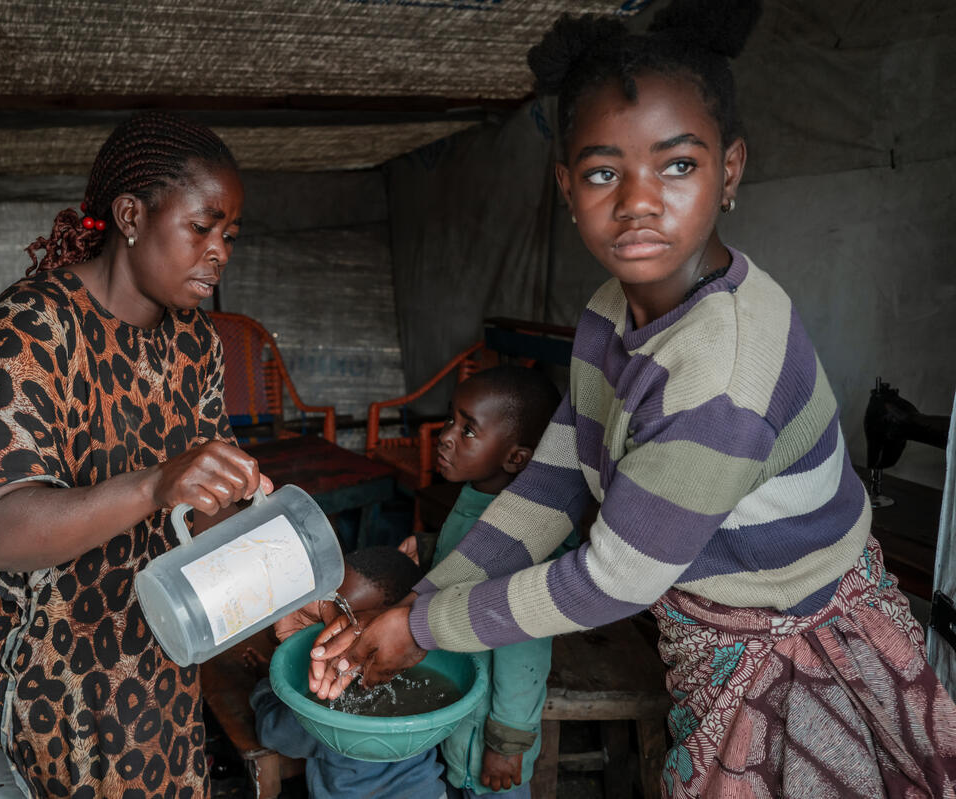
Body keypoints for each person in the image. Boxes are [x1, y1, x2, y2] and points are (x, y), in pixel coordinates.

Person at [308, 2, 956, 797]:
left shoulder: (721, 370)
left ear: (731, 169)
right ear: (566, 186)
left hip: (800, 641)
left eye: (678, 164)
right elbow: (552, 480)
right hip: (710, 623)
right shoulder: (610, 314)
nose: (638, 201)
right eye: (604, 172)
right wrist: (426, 597)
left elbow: (613, 580)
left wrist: (417, 626)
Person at [0, 111, 273, 799]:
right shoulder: (32, 324)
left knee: (169, 719)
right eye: (202, 228)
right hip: (34, 616)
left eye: (229, 235)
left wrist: (262, 556)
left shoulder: (195, 343)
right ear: (131, 214)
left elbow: (197, 508)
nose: (219, 252)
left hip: (145, 598)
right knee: (111, 740)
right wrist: (158, 484)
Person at [398, 366, 576, 798]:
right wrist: (430, 547)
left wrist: (507, 743)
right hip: (462, 718)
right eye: (450, 420)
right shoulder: (480, 494)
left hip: (489, 746)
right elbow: (468, 551)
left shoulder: (522, 541)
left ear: (516, 458)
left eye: (468, 431)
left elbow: (524, 653)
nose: (446, 436)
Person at [245, 546, 447, 799]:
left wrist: (268, 686)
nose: (336, 642)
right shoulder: (423, 681)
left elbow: (274, 734)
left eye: (347, 633)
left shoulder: (328, 703)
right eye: (329, 621)